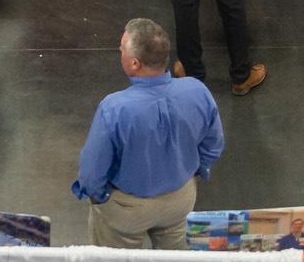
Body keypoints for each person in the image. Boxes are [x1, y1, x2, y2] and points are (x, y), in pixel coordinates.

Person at [72, 18, 224, 248]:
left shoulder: (114, 109)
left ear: (135, 63)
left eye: (121, 48)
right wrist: (193, 172)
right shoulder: (197, 91)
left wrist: (98, 197)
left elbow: (92, 172)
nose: (119, 50)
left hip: (127, 209)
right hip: (180, 201)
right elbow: (213, 145)